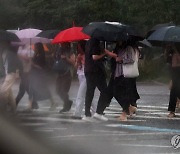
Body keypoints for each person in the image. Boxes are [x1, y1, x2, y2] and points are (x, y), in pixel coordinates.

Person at [101, 41, 139, 121]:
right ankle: (128, 108)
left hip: (125, 74)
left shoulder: (129, 48)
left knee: (122, 92)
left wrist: (120, 59)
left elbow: (131, 59)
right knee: (116, 92)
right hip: (118, 73)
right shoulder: (120, 48)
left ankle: (125, 113)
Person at [83, 38, 109, 121]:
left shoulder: (88, 43)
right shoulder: (95, 42)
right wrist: (104, 54)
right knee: (105, 91)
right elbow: (94, 57)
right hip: (96, 71)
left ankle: (87, 113)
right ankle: (99, 112)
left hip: (88, 69)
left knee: (90, 92)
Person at [27, 43, 57, 111]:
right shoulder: (36, 55)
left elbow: (41, 67)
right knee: (31, 89)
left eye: (36, 47)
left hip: (39, 75)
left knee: (44, 89)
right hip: (34, 75)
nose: (34, 49)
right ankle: (30, 105)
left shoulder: (41, 56)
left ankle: (53, 102)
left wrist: (33, 64)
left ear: (39, 48)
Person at [73, 41, 97, 119]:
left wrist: (82, 59)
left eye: (79, 46)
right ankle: (96, 111)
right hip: (81, 76)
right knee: (89, 95)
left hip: (87, 76)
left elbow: (89, 65)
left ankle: (77, 113)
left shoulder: (88, 55)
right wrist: (77, 60)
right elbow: (76, 67)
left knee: (80, 95)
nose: (78, 48)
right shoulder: (79, 55)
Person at [0, 42, 22, 112]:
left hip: (11, 74)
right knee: (9, 93)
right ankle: (14, 108)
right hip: (8, 74)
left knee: (3, 91)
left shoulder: (11, 54)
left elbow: (18, 64)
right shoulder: (7, 53)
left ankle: (3, 108)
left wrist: (17, 72)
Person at [15, 45, 39, 109]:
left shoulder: (29, 48)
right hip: (22, 71)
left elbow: (29, 59)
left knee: (22, 90)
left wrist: (22, 56)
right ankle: (35, 104)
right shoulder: (20, 48)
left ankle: (14, 104)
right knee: (27, 89)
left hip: (27, 71)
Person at [54, 42, 75, 113]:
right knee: (57, 90)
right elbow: (56, 59)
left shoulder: (70, 51)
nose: (61, 44)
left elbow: (73, 62)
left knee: (64, 90)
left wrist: (66, 58)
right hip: (59, 73)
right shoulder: (59, 50)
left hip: (67, 73)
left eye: (63, 43)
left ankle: (66, 106)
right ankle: (68, 102)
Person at [165, 45, 180, 118]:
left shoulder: (176, 52)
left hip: (177, 70)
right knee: (174, 90)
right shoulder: (172, 52)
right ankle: (172, 111)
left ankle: (172, 111)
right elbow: (170, 63)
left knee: (175, 90)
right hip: (175, 71)